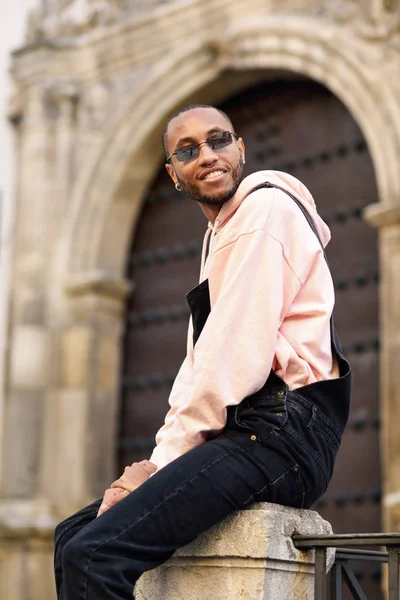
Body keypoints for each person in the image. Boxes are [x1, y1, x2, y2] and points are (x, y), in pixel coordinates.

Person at [54, 104, 351, 600]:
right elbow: (201, 365)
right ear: (173, 174)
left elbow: (231, 361)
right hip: (249, 431)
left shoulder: (262, 213)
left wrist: (157, 466)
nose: (208, 156)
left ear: (241, 148)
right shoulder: (220, 234)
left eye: (219, 140)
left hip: (284, 436)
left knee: (95, 554)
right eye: (188, 151)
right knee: (72, 538)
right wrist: (155, 462)